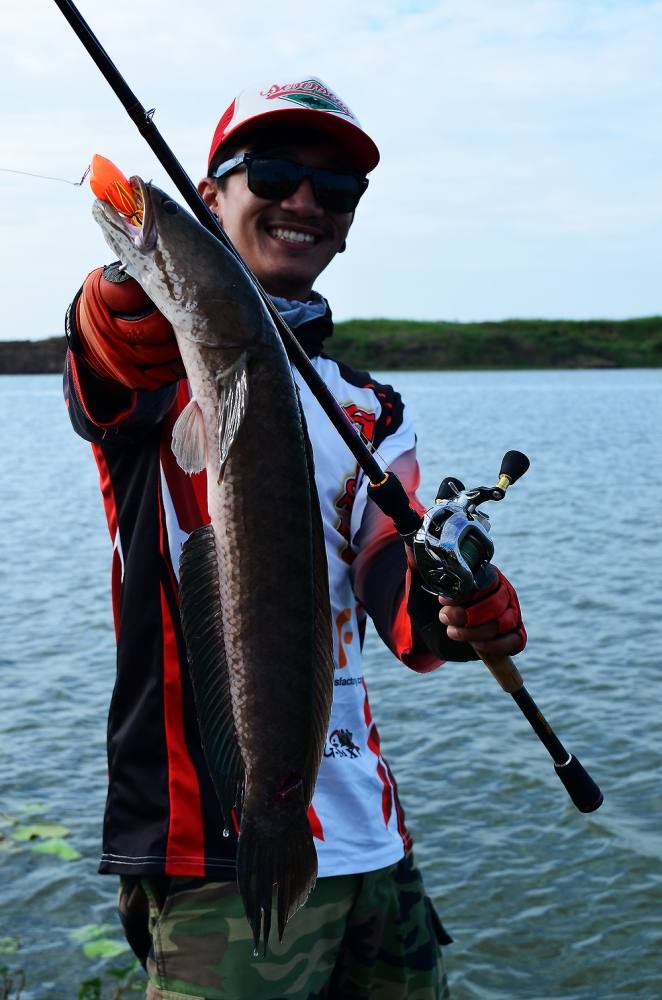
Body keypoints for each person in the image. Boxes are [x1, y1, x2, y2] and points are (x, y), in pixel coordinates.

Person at [64, 77, 526, 1000]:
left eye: (336, 189)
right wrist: (123, 288)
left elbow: (390, 582)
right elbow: (105, 351)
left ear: (351, 222)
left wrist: (455, 607)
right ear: (211, 199)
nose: (304, 200)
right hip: (211, 855)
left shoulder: (372, 408)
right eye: (272, 171)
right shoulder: (159, 375)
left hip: (374, 845)